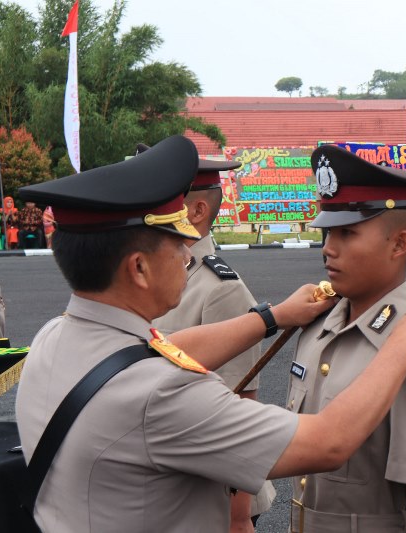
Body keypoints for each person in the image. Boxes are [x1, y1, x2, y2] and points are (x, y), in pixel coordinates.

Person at [14, 135, 406, 532]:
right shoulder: (161, 394)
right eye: (178, 244)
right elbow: (328, 443)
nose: (188, 256)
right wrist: (403, 342)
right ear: (139, 268)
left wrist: (272, 317)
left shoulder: (54, 337)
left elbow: (156, 352)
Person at [288, 144, 406, 532]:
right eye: (327, 232)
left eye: (347, 233)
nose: (328, 249)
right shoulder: (317, 328)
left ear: (399, 244)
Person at [150, 151, 272, 532]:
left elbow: (240, 406)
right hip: (180, 480)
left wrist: (238, 517)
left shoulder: (221, 289)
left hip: (219, 495)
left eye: (161, 205)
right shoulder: (164, 273)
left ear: (197, 210)